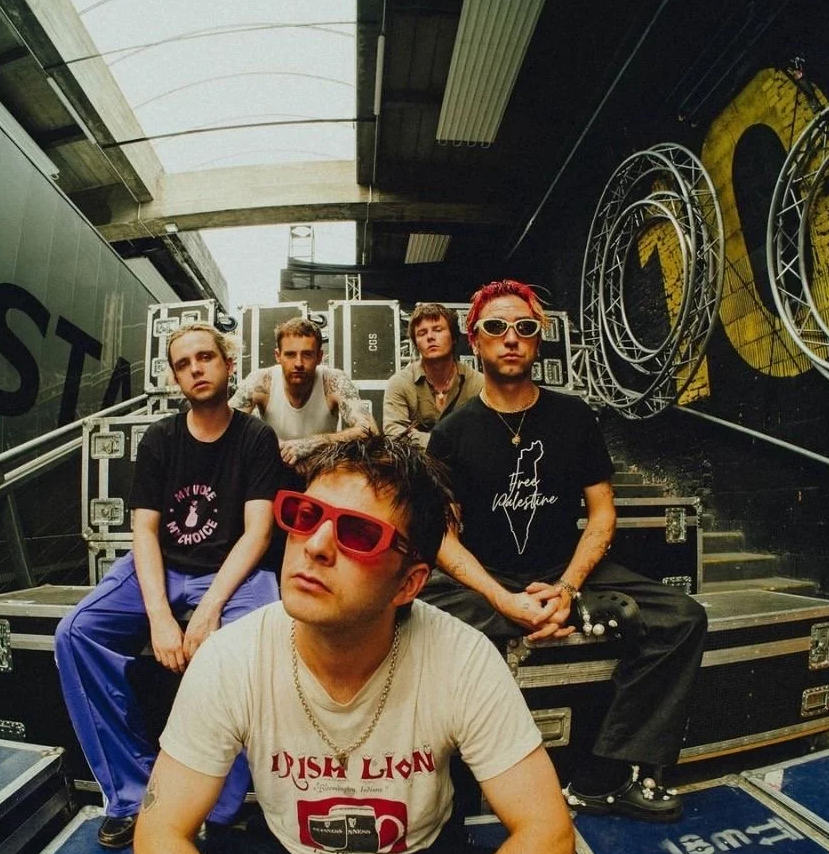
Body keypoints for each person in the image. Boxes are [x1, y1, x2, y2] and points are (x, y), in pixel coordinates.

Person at [93, 436, 610, 854]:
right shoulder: (232, 655)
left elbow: (547, 834)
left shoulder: (463, 657)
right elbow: (160, 836)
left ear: (409, 582)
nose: (315, 545)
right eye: (304, 516)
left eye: (359, 535)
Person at [421, 280, 708, 822]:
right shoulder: (453, 432)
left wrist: (569, 587)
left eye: (525, 328)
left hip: (563, 572)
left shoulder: (574, 416)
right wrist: (504, 601)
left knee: (684, 617)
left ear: (540, 338)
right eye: (496, 328)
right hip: (487, 581)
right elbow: (440, 537)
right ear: (475, 342)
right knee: (423, 618)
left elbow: (602, 512)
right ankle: (576, 618)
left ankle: (605, 775)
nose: (512, 338)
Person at [55, 322, 282, 848]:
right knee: (76, 633)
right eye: (183, 363)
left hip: (231, 569)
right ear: (176, 378)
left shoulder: (255, 436)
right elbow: (145, 530)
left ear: (228, 365)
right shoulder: (160, 438)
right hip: (160, 565)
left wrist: (207, 615)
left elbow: (258, 533)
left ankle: (213, 808)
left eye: (205, 357)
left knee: (259, 646)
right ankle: (134, 795)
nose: (196, 368)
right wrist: (160, 614)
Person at [229, 316, 376, 471]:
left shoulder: (333, 381)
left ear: (319, 357)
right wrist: (270, 442)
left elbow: (370, 430)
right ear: (278, 356)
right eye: (290, 354)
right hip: (273, 469)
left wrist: (310, 444)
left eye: (307, 354)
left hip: (319, 472)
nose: (298, 363)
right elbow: (225, 424)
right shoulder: (261, 381)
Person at [383, 302, 483, 446]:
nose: (430, 337)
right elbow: (394, 433)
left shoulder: (479, 384)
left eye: (438, 330)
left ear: (454, 337)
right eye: (422, 333)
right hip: (417, 466)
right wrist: (444, 444)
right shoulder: (400, 382)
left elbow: (484, 434)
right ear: (416, 344)